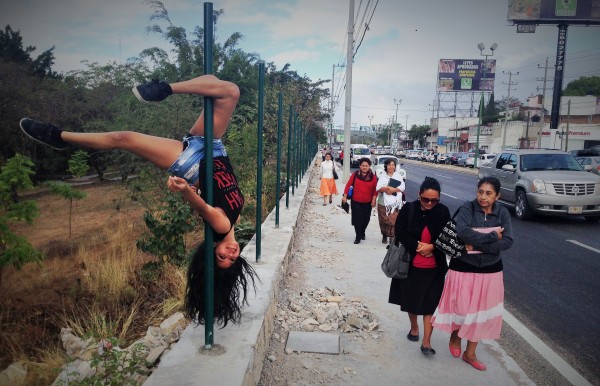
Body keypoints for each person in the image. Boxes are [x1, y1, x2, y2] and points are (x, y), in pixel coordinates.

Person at [20, 75, 258, 325]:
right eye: (232, 259)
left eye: (222, 257)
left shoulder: (221, 225)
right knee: (221, 87)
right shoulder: (235, 218)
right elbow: (213, 195)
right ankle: (162, 88)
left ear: (213, 250)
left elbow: (202, 206)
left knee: (124, 138)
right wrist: (198, 192)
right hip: (212, 147)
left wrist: (186, 190)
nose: (230, 254)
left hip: (191, 164)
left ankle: (59, 136)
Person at [431, 176, 514, 371]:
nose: (483, 197)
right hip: (463, 266)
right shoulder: (468, 208)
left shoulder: (502, 212)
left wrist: (478, 246)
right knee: (461, 308)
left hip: (490, 270)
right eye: (480, 192)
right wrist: (493, 236)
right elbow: (463, 233)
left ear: (497, 195)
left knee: (480, 313)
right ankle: (455, 336)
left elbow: (509, 241)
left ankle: (470, 353)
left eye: (488, 193)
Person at [388, 177, 450, 356]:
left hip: (434, 269)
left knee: (430, 305)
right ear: (419, 195)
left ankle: (427, 342)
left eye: (434, 200)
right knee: (412, 302)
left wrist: (432, 247)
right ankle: (414, 328)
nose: (430, 203)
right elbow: (399, 232)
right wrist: (417, 246)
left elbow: (449, 236)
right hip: (410, 266)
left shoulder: (443, 211)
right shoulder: (409, 209)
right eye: (426, 199)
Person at [341, 157, 377, 244]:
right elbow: (348, 185)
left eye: (367, 166)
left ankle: (362, 231)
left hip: (367, 202)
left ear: (369, 167)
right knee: (357, 220)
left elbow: (376, 190)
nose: (365, 167)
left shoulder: (373, 177)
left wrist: (374, 199)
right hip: (355, 201)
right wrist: (345, 196)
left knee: (366, 219)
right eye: (363, 165)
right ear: (360, 166)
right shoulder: (355, 175)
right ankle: (358, 236)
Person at [375, 158, 405, 244]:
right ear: (386, 166)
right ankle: (384, 235)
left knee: (393, 220)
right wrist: (387, 188)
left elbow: (402, 187)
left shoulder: (398, 176)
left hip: (395, 203)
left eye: (393, 165)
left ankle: (392, 237)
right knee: (383, 219)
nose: (391, 167)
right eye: (389, 165)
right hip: (383, 201)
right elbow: (378, 188)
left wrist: (393, 190)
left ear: (395, 166)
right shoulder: (382, 176)